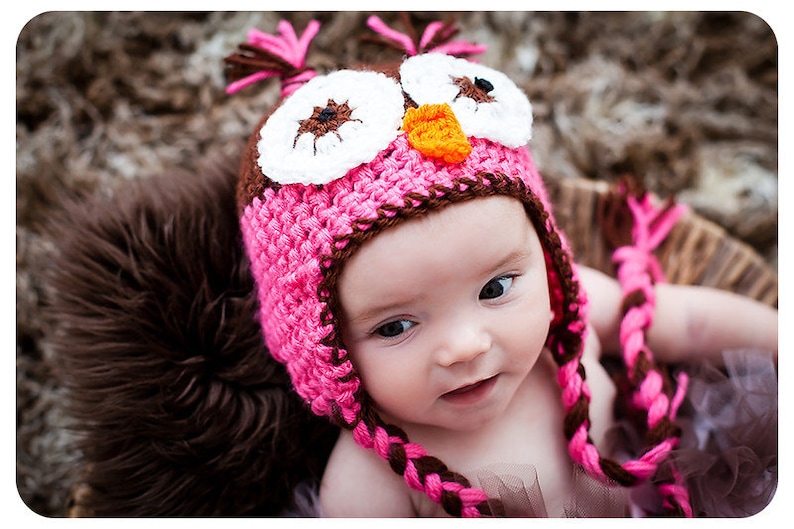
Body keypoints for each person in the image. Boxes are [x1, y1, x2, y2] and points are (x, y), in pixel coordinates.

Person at [225, 16, 778, 517]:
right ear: (326, 352)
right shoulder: (373, 480)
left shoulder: (573, 314)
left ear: (546, 259)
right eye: (395, 326)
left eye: (495, 288)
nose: (465, 345)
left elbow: (689, 323)